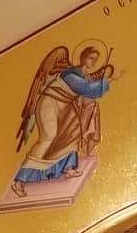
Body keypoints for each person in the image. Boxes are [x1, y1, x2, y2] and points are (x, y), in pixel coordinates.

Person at [10, 41, 117, 197]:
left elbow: (87, 92)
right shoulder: (71, 73)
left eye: (95, 59)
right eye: (91, 58)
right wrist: (106, 81)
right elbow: (86, 88)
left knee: (74, 129)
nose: (93, 62)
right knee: (49, 136)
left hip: (64, 107)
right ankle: (19, 180)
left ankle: (68, 167)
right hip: (49, 104)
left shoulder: (85, 76)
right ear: (82, 57)